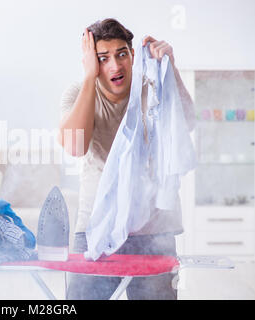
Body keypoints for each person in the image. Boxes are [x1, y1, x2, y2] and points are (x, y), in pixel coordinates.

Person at [57, 18, 196, 300]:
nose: (115, 66)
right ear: (91, 61)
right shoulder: (79, 93)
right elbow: (74, 146)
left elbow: (188, 123)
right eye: (102, 58)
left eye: (121, 54)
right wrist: (88, 78)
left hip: (154, 230)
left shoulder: (153, 88)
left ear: (132, 55)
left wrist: (171, 68)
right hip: (96, 229)